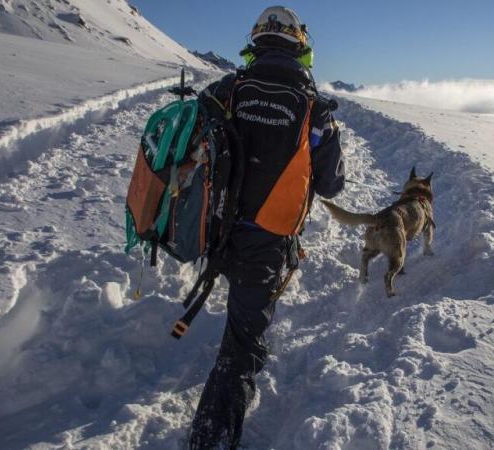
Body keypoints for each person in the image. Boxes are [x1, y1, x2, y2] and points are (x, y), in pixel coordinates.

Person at [188, 6, 345, 449]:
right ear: (301, 47)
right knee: (241, 347)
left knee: (241, 325)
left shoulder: (226, 89)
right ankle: (211, 440)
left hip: (214, 228)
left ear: (256, 43)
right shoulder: (315, 109)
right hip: (267, 239)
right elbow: (332, 183)